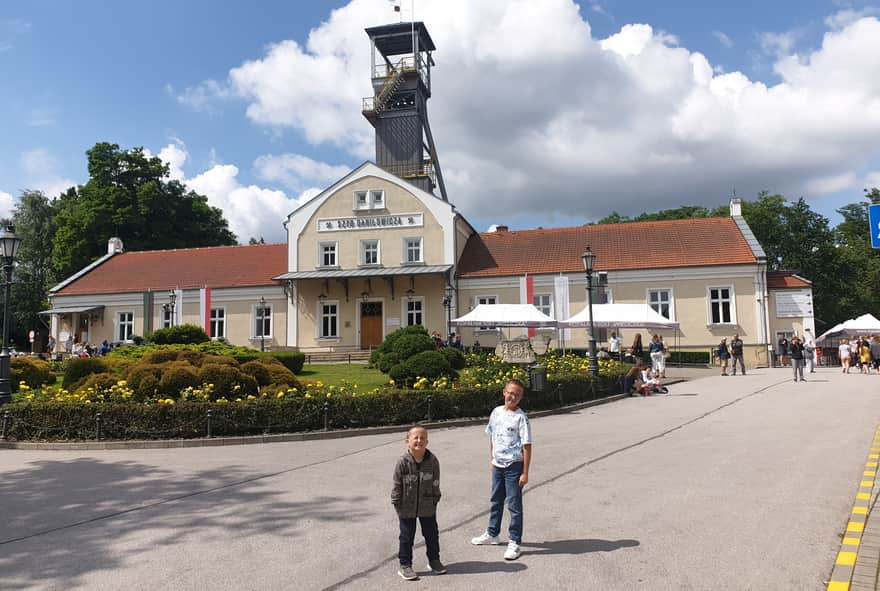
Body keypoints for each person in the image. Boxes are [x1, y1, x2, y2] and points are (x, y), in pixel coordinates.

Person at [471, 379, 532, 561]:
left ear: (521, 398)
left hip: (514, 466)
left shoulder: (521, 418)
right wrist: (492, 458)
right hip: (498, 465)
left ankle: (515, 541)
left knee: (514, 505)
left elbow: (527, 446)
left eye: (517, 395)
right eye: (510, 393)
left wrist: (525, 472)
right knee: (496, 500)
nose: (512, 397)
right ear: (504, 392)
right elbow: (492, 436)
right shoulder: (496, 412)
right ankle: (492, 533)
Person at [391, 425, 444, 580]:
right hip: (406, 507)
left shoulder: (432, 461)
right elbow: (396, 484)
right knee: (407, 536)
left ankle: (434, 560)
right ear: (407, 441)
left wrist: (435, 499)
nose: (419, 440)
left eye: (422, 438)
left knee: (432, 534)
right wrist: (397, 503)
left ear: (427, 442)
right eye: (415, 437)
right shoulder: (402, 462)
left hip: (427, 505)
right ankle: (405, 565)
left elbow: (436, 482)